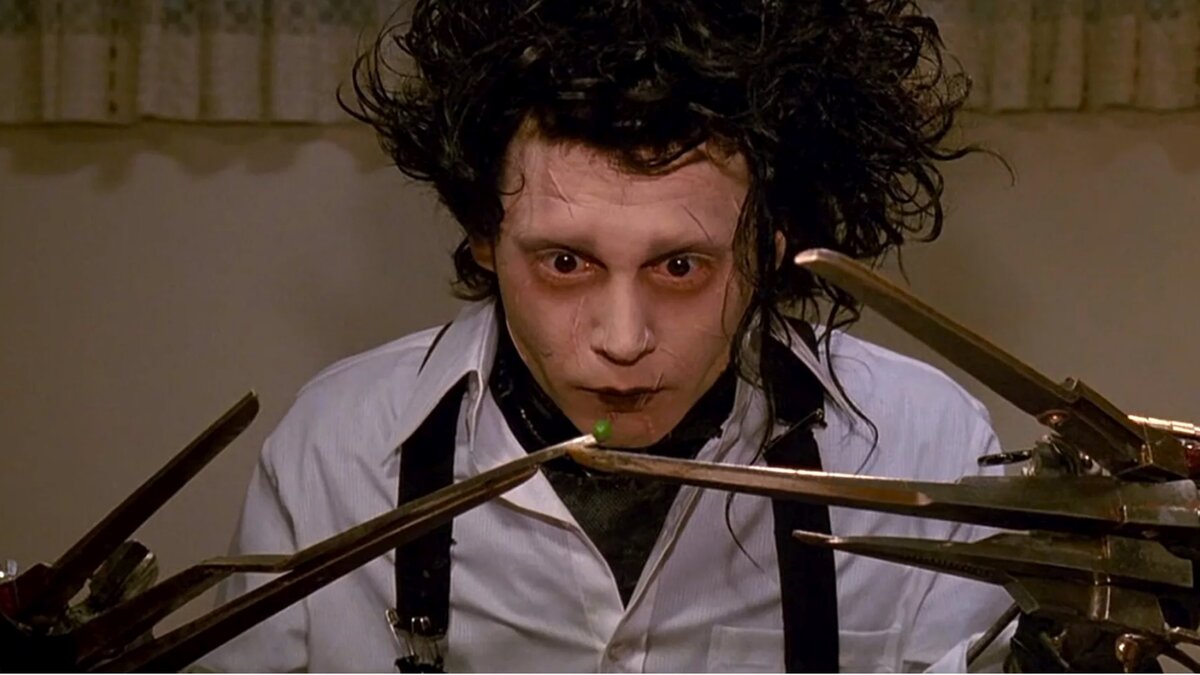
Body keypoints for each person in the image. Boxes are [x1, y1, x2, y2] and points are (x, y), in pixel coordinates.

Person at [202, 0, 1014, 671]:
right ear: (484, 235)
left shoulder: (927, 452)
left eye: (681, 267)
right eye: (564, 263)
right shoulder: (334, 453)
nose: (623, 340)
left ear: (769, 250)